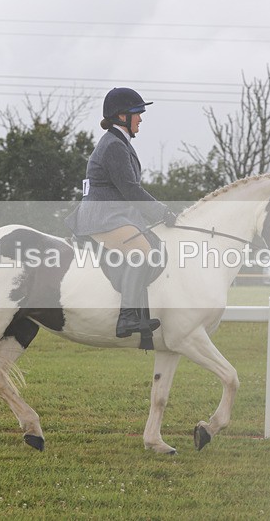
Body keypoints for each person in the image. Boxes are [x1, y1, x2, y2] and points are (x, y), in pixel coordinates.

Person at [64, 87, 177, 347]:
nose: (141, 118)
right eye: (137, 113)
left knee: (150, 246)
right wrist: (162, 212)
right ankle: (127, 317)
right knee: (143, 251)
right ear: (122, 116)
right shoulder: (114, 145)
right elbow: (130, 189)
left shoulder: (118, 142)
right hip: (103, 216)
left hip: (112, 214)